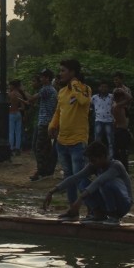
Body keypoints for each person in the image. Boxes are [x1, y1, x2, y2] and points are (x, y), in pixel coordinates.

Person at [44, 141, 133, 225]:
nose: (91, 163)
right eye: (90, 161)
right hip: (108, 202)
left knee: (105, 185)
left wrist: (79, 200)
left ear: (102, 156)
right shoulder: (94, 166)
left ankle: (114, 217)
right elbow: (75, 178)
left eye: (93, 160)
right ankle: (99, 215)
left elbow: (99, 182)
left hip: (123, 204)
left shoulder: (116, 166)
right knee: (82, 182)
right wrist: (52, 191)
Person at [48, 59, 92, 206]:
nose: (60, 74)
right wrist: (52, 126)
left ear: (73, 72)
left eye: (63, 70)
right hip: (62, 141)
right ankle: (72, 209)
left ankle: (93, 209)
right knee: (68, 177)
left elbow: (83, 101)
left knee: (80, 177)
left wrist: (74, 84)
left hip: (78, 141)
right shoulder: (61, 92)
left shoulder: (84, 89)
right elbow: (58, 112)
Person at [27, 69, 58, 181]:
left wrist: (20, 90)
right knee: (46, 147)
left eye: (43, 77)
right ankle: (47, 170)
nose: (41, 79)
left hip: (45, 122)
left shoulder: (46, 89)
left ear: (48, 78)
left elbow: (31, 99)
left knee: (38, 147)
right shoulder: (51, 90)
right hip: (48, 121)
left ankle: (41, 171)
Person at [112, 87, 133, 171]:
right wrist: (123, 91)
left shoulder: (114, 105)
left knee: (119, 151)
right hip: (121, 131)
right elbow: (130, 98)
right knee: (123, 151)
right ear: (120, 98)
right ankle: (124, 169)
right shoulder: (118, 105)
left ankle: (120, 168)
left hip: (118, 130)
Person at [91, 82, 114, 156]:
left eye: (105, 87)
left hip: (109, 120)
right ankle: (97, 155)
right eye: (102, 87)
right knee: (97, 140)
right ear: (99, 88)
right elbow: (89, 105)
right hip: (98, 120)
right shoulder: (94, 97)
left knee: (110, 140)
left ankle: (111, 156)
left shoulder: (111, 97)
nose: (104, 88)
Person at [8, 80, 27, 155]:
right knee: (18, 132)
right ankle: (18, 148)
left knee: (11, 132)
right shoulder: (20, 95)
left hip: (11, 114)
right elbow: (23, 107)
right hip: (18, 114)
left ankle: (11, 148)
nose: (9, 87)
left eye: (10, 85)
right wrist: (17, 108)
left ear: (13, 86)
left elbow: (7, 106)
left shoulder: (9, 95)